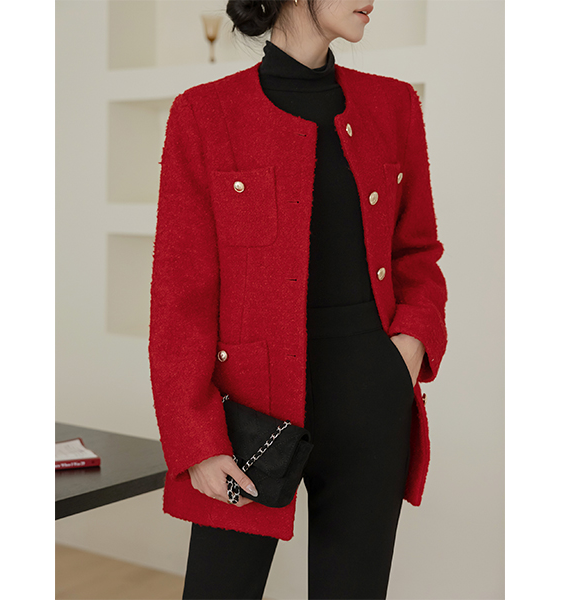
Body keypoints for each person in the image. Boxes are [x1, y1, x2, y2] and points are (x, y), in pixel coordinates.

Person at [148, 1, 448, 598]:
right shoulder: (204, 114)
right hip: (250, 414)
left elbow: (417, 252)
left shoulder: (393, 105)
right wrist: (197, 443)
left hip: (372, 400)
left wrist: (408, 350)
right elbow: (179, 299)